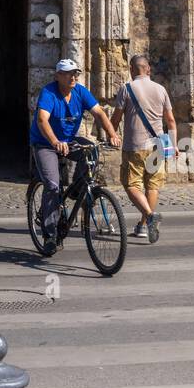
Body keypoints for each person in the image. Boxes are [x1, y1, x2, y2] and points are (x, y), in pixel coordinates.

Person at [30, 59, 121, 256]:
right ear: (57, 76)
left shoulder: (80, 91)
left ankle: (78, 188)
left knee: (91, 150)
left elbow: (99, 113)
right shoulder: (49, 93)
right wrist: (54, 141)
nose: (73, 77)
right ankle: (50, 235)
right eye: (68, 73)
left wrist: (112, 134)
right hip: (46, 143)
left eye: (76, 73)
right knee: (53, 185)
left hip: (68, 140)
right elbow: (42, 119)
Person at [110, 54, 177, 244]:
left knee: (131, 184)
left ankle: (149, 215)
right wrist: (173, 144)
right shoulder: (161, 89)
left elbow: (116, 118)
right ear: (148, 69)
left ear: (131, 69)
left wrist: (111, 134)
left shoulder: (126, 89)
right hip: (158, 147)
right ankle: (143, 226)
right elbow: (170, 121)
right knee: (152, 185)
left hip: (135, 146)